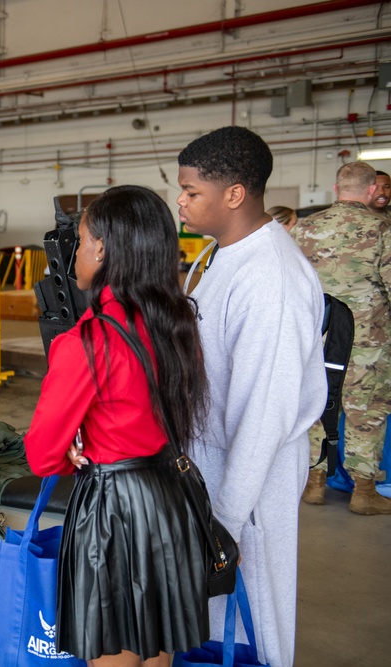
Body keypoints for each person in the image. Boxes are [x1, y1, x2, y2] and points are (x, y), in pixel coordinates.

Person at [24, 186, 210, 666]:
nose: (78, 254)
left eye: (82, 241)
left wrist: (72, 452)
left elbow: (42, 453)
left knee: (115, 648)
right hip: (171, 499)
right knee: (156, 649)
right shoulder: (177, 323)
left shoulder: (86, 340)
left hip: (113, 512)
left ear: (102, 249)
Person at [176, 127, 327, 667]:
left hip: (248, 477)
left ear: (234, 194)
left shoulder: (273, 279)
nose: (181, 201)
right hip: (208, 461)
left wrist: (226, 524)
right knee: (208, 624)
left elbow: (264, 414)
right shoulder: (221, 256)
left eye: (192, 191)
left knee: (249, 617)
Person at [293, 161, 391, 514]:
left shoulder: (304, 228)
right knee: (368, 410)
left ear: (337, 189)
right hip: (367, 342)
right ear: (370, 191)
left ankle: (314, 483)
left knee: (318, 403)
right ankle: (363, 491)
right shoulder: (382, 228)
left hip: (317, 337)